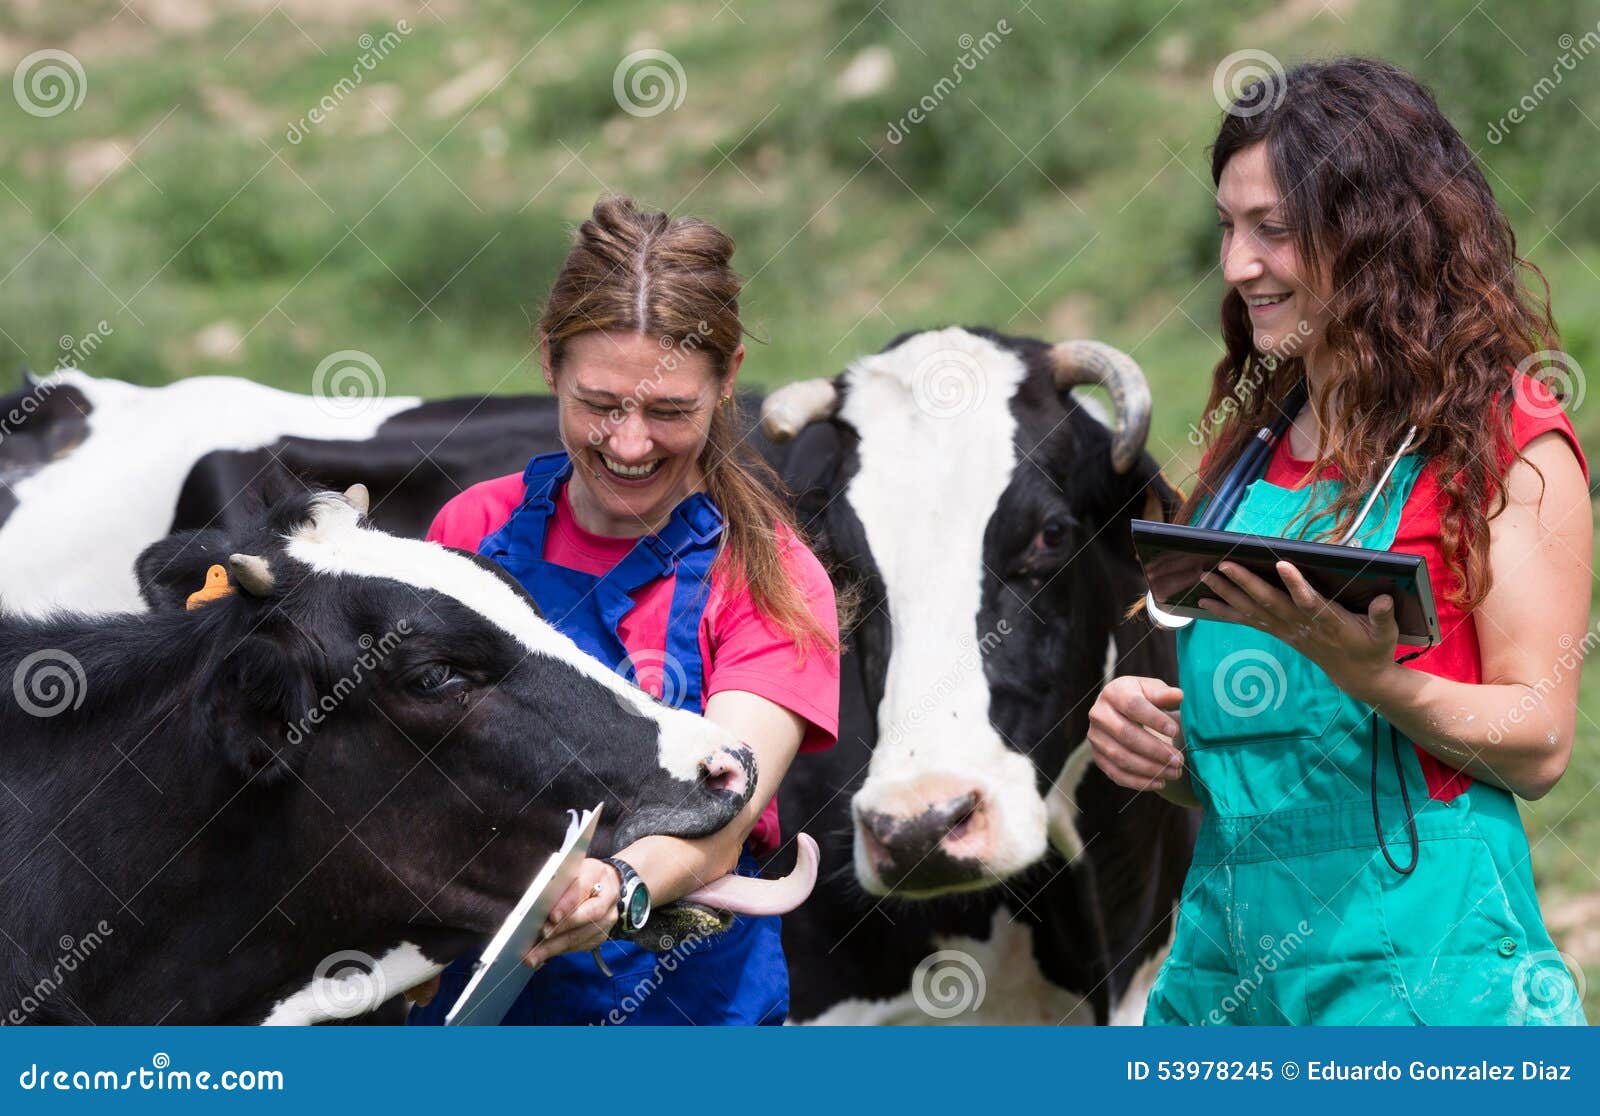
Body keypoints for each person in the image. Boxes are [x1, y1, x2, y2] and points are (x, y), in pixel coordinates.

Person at [1089, 58, 1591, 1025]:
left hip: (1425, 969)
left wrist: (1381, 680)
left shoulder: (1503, 442)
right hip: (1226, 970)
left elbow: (1539, 743)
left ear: (1377, 233)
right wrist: (1171, 742)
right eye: (1229, 228)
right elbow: (1274, 763)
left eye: (1272, 230)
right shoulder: (1245, 452)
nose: (1237, 266)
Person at [406, 195, 840, 1025]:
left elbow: (727, 807)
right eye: (600, 404)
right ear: (548, 363)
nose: (630, 442)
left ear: (729, 377)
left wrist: (621, 884)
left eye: (670, 411)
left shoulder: (771, 577)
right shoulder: (470, 531)